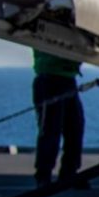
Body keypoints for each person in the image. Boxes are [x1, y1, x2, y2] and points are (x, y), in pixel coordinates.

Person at [31, 49, 86, 188]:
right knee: (50, 129)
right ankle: (43, 175)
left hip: (67, 79)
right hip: (49, 79)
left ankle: (69, 172)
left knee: (75, 127)